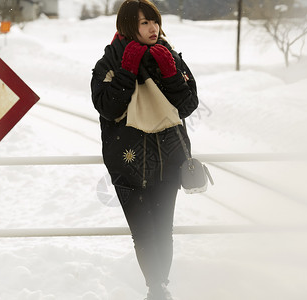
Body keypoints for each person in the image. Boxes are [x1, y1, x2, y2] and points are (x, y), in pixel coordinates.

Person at [91, 0, 198, 299]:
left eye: (155, 21)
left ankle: (159, 287)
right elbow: (108, 107)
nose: (153, 29)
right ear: (128, 26)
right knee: (144, 232)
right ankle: (156, 286)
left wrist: (171, 74)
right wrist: (126, 70)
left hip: (169, 158)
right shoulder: (108, 63)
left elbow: (188, 105)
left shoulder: (169, 56)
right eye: (144, 23)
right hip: (127, 163)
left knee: (163, 229)